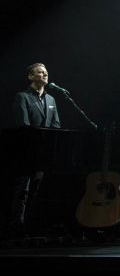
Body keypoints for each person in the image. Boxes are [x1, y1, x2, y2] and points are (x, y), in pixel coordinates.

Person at [9, 63, 61, 236]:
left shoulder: (51, 100)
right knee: (23, 189)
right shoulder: (22, 97)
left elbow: (56, 125)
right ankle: (17, 225)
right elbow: (23, 126)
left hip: (44, 154)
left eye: (46, 71)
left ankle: (32, 225)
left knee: (38, 190)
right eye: (40, 72)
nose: (45, 74)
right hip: (27, 152)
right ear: (31, 77)